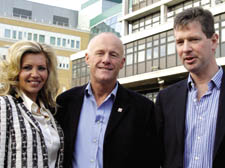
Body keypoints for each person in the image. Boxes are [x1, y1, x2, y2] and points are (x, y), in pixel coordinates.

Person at [56, 32, 159, 168]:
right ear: (87, 58)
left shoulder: (143, 108)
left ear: (122, 63)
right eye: (100, 53)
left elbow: (150, 160)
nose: (106, 60)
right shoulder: (65, 102)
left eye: (113, 54)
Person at [155, 7, 225, 168]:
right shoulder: (166, 99)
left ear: (214, 41)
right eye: (180, 42)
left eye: (193, 39)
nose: (185, 49)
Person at [0, 41, 64, 168]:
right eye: (27, 67)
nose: (35, 74)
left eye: (41, 68)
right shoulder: (4, 105)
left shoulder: (49, 112)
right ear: (16, 71)